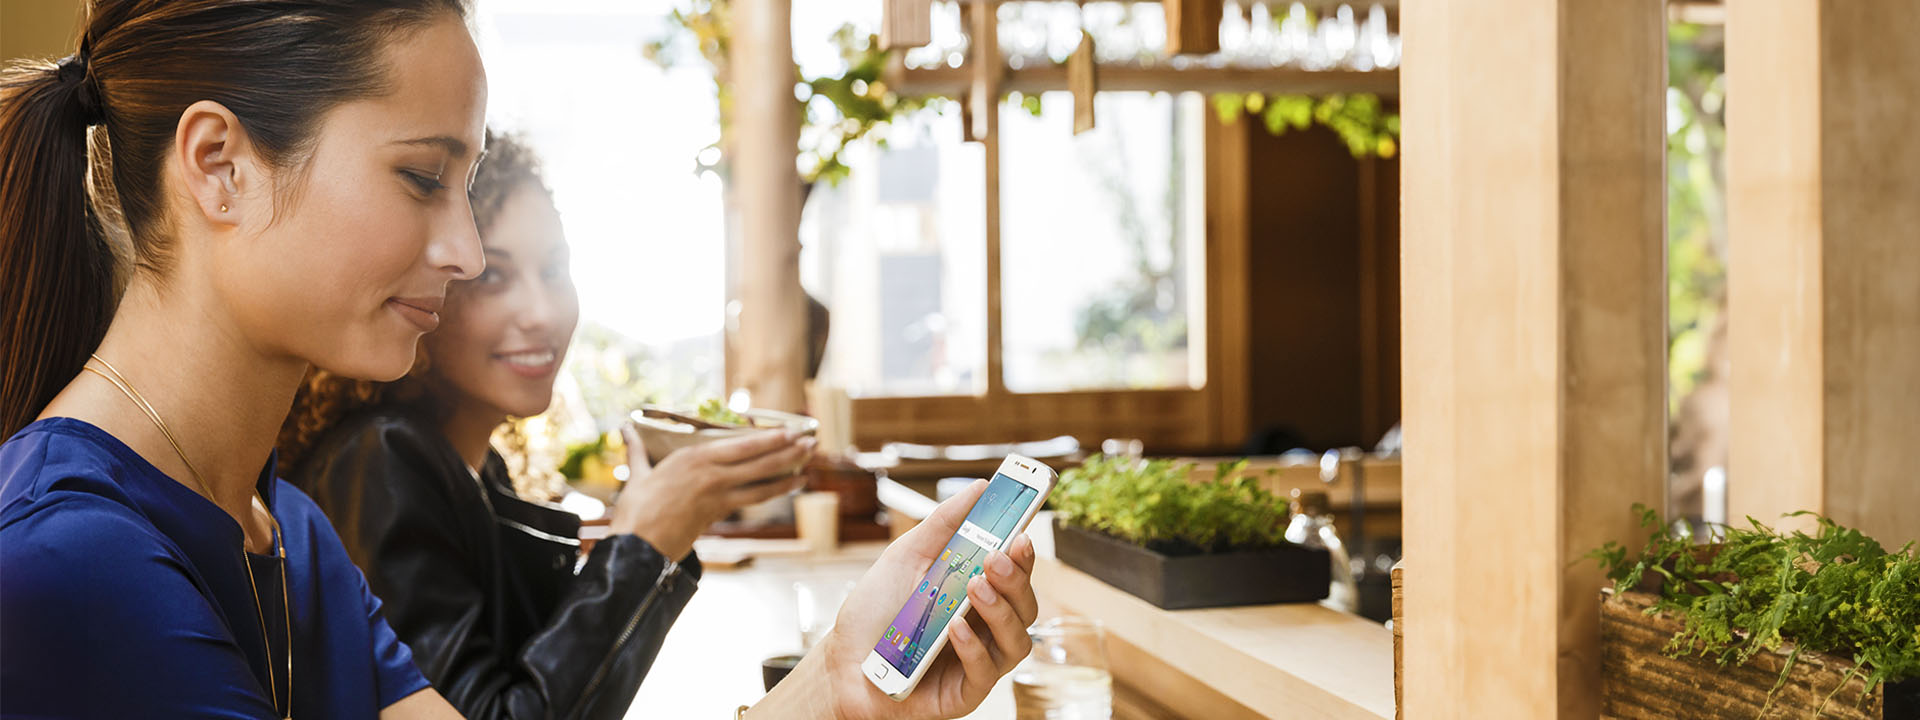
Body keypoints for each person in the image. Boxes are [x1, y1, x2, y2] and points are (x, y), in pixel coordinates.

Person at [0, 0, 1036, 716]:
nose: (462, 249)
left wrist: (842, 686)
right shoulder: (74, 564)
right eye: (420, 178)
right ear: (219, 166)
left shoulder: (286, 536)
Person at [276, 133, 815, 718]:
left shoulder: (479, 467)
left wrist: (667, 525)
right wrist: (642, 546)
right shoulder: (380, 461)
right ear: (426, 283)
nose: (541, 313)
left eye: (555, 269)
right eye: (493, 277)